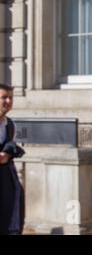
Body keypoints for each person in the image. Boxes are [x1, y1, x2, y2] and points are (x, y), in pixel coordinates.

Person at [0, 84, 25, 235]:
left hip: (6, 179)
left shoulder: (11, 125)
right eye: (4, 97)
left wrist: (7, 155)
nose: (8, 101)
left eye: (11, 97)